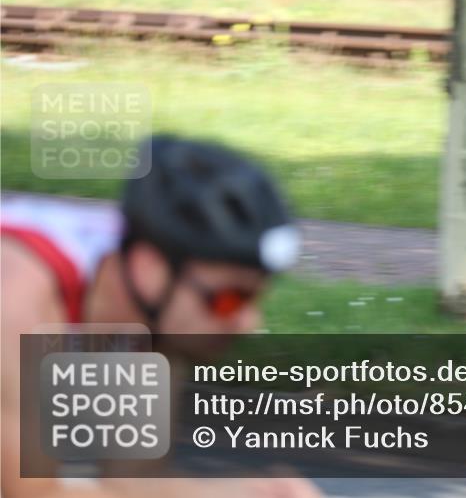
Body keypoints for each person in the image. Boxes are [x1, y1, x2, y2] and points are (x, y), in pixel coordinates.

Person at [1, 135, 323, 498]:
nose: (249, 323)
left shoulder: (151, 313)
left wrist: (252, 492)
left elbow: (132, 483)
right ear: (149, 268)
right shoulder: (16, 298)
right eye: (228, 300)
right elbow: (29, 491)